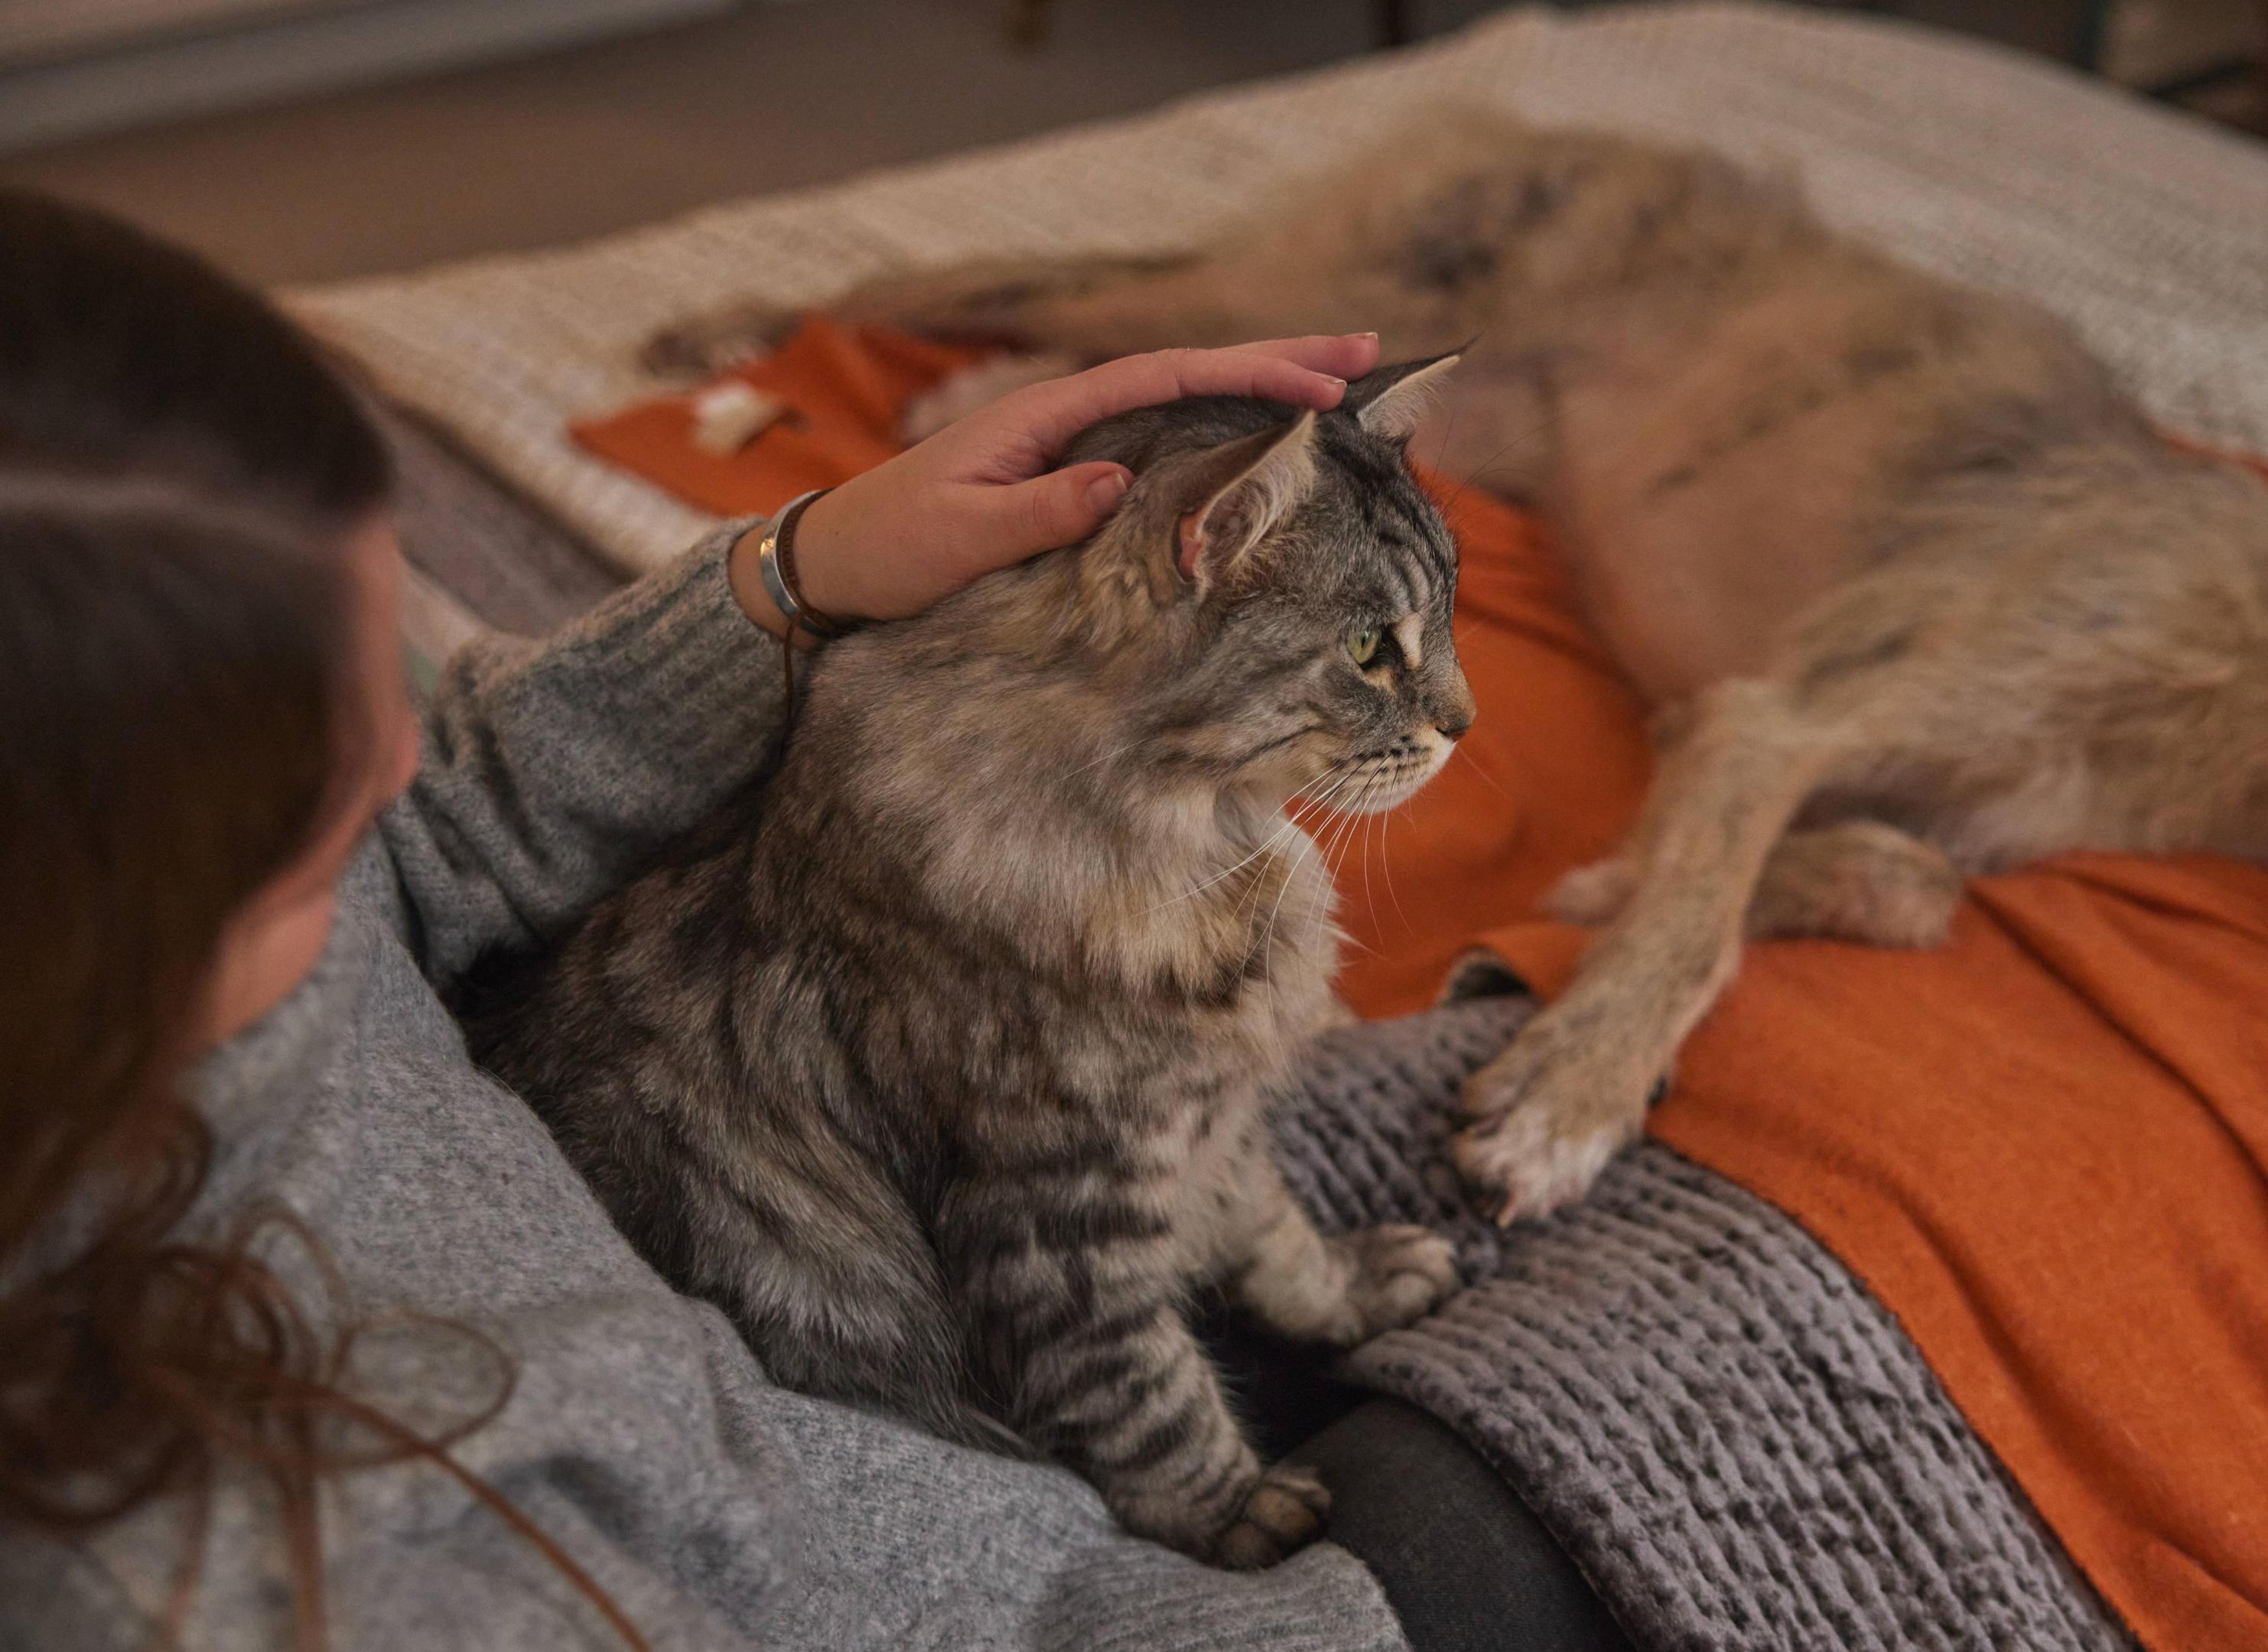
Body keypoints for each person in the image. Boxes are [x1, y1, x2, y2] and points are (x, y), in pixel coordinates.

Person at [0, 189, 1617, 1651]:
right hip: (1053, 1563)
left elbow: (436, 826)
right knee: (1655, 1355)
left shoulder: (166, 933)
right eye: (342, 758)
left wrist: (807, 564)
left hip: (986, 1449)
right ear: (123, 889)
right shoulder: (318, 1576)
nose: (412, 746)